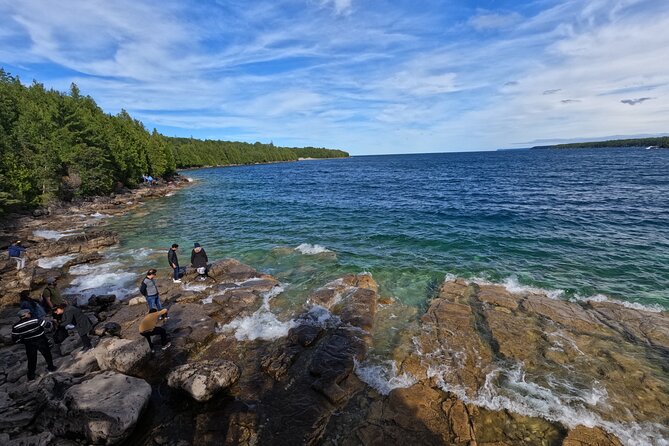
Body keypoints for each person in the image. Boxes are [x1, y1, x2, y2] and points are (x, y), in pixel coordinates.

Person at [12, 309, 57, 381]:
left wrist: (24, 341)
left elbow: (15, 339)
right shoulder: (35, 320)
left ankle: (31, 375)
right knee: (47, 354)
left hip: (29, 343)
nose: (30, 314)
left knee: (31, 359)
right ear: (26, 314)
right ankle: (51, 367)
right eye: (29, 313)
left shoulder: (16, 326)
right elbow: (48, 325)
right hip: (41, 340)